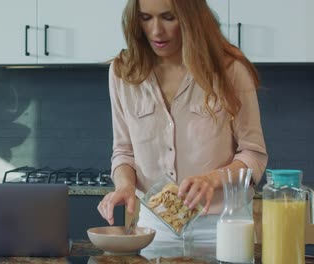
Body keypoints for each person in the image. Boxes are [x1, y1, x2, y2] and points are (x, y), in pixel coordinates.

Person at [97, 0, 268, 245]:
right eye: (146, 18)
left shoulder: (230, 71)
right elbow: (124, 152)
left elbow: (254, 154)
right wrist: (124, 185)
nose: (156, 31)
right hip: (156, 226)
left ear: (191, 19)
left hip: (222, 226)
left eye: (168, 17)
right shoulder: (123, 72)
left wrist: (212, 179)